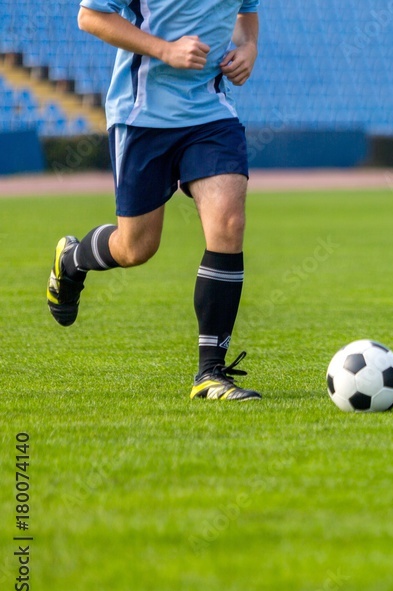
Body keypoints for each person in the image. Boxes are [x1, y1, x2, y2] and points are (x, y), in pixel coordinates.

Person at [46, 0, 262, 400]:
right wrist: (165, 49)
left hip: (210, 113)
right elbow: (90, 16)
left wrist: (248, 48)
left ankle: (210, 373)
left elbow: (247, 12)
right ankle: (72, 260)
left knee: (228, 224)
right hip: (142, 114)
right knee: (136, 247)